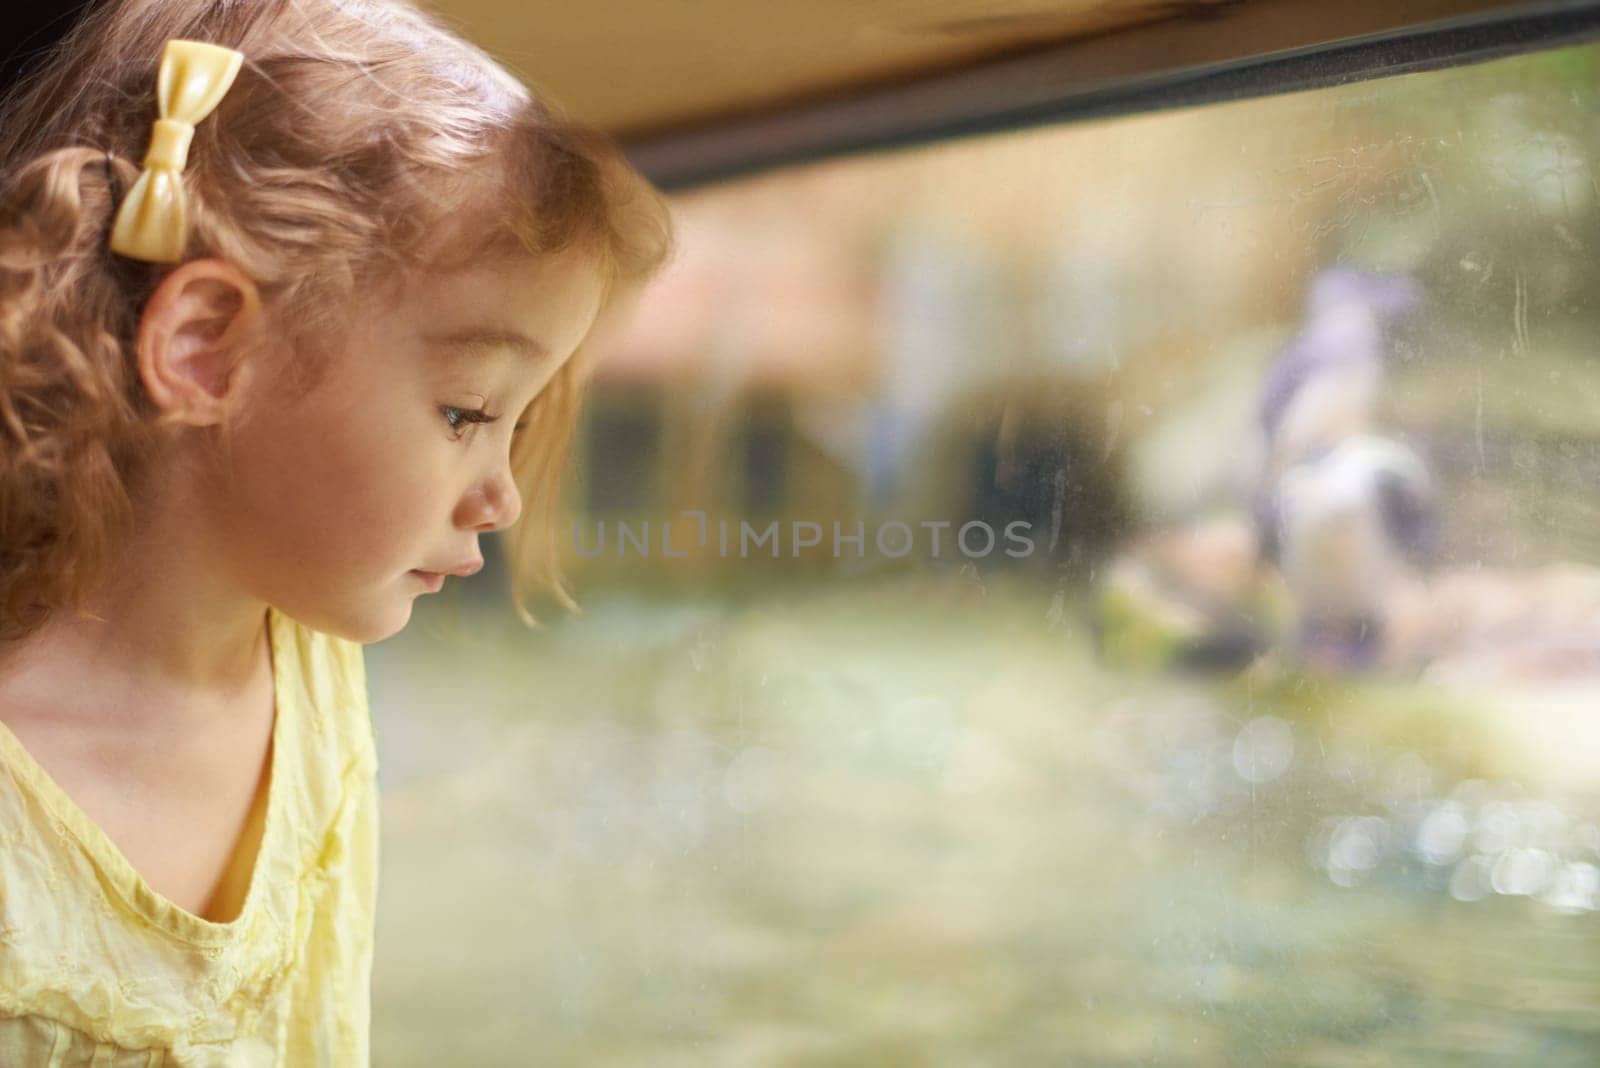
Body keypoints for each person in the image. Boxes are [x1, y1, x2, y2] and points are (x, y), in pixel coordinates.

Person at [0, 0, 672, 1063]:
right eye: (467, 413)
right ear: (211, 348)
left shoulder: (307, 669)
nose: (501, 498)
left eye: (518, 424)